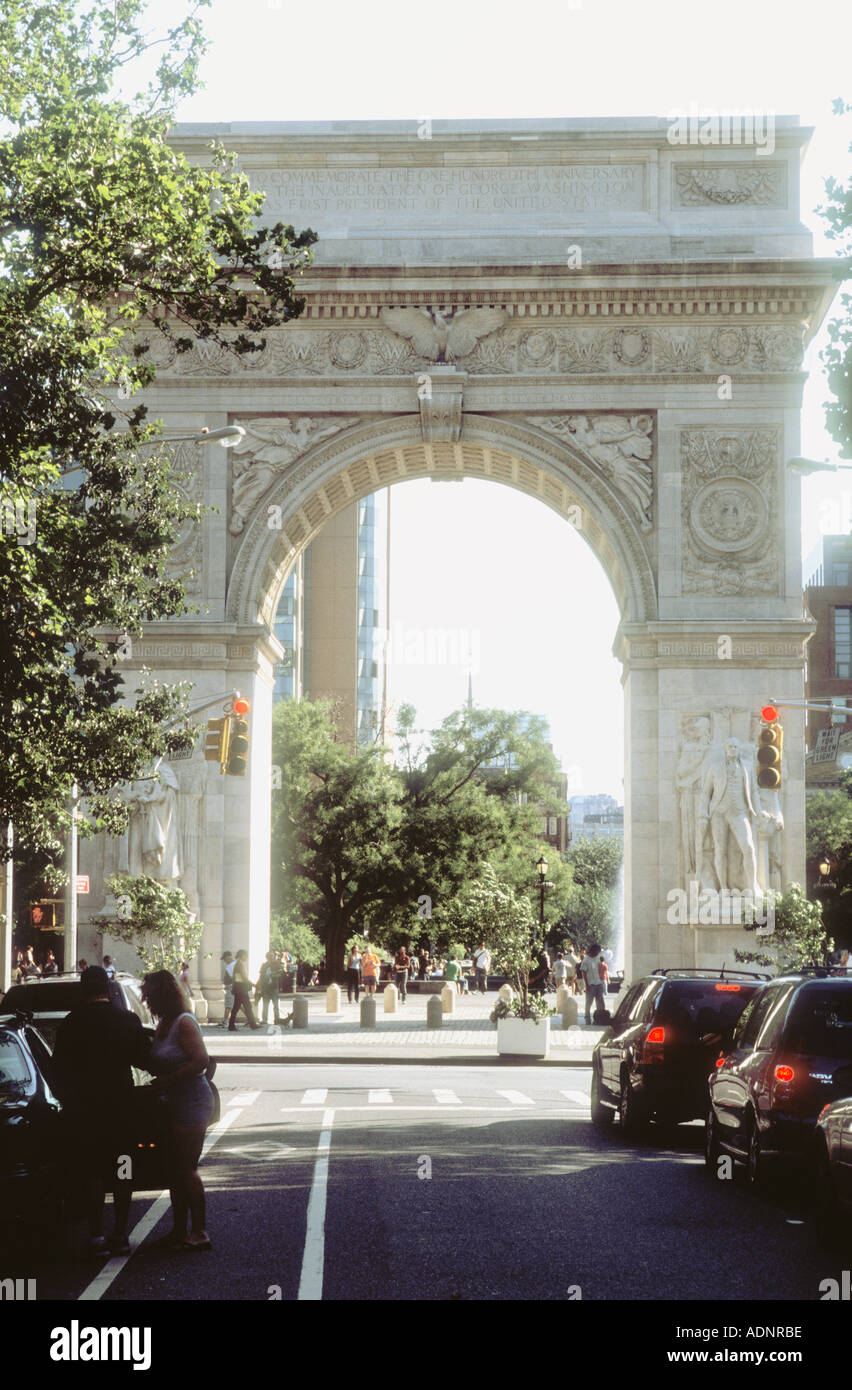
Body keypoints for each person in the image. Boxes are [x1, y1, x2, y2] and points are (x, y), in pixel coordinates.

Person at [51, 966, 151, 1257]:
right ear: (108, 989)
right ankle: (120, 1233)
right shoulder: (127, 1021)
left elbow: (57, 1072)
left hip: (85, 1112)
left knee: (91, 1172)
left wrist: (67, 1099)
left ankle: (96, 1234)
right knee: (123, 1170)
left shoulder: (70, 1025)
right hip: (122, 1111)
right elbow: (146, 1061)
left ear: (83, 990)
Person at [141, 970, 216, 1252]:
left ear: (161, 995)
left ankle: (199, 1232)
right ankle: (179, 1230)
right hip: (174, 1101)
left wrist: (169, 1080)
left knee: (186, 1169)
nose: (145, 1000)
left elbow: (201, 1061)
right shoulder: (164, 1023)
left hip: (193, 1101)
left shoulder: (184, 1023)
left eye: (148, 995)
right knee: (175, 1170)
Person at [228, 950, 260, 1031]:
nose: (247, 957)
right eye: (246, 956)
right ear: (242, 956)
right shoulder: (240, 964)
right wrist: (254, 985)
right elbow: (244, 978)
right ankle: (232, 1025)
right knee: (240, 1007)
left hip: (239, 988)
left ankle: (252, 1024)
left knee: (245, 1006)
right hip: (241, 988)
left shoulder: (237, 964)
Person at [580, 943, 607, 1024]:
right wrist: (587, 985)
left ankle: (600, 1019)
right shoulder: (586, 960)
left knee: (600, 1002)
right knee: (589, 1003)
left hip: (598, 983)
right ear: (593, 951)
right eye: (597, 951)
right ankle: (587, 1019)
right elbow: (584, 972)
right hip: (590, 984)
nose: (598, 953)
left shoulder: (598, 958)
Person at [257, 952, 283, 1027]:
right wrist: (259, 986)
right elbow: (261, 976)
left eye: (272, 956)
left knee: (275, 1004)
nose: (270, 957)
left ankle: (277, 1019)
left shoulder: (277, 964)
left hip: (274, 987)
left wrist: (272, 975)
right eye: (269, 956)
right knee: (265, 1004)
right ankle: (264, 1019)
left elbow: (280, 974)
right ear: (266, 957)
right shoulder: (264, 965)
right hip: (265, 987)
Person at [219, 951, 235, 1027]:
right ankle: (250, 1019)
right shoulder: (235, 964)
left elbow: (232, 977)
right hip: (235, 987)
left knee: (228, 1004)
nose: (225, 961)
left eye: (225, 959)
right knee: (238, 1004)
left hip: (231, 987)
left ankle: (225, 1021)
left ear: (228, 957)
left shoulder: (230, 966)